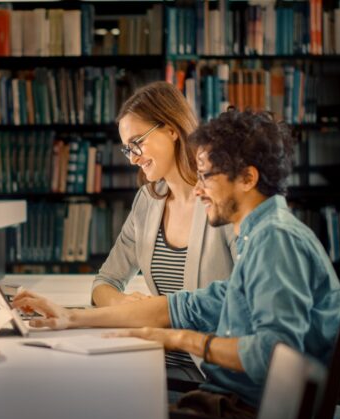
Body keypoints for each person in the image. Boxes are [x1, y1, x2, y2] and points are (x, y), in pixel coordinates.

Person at [13, 109, 340, 419]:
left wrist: (181, 340)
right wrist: (70, 317)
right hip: (232, 403)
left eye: (207, 177)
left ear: (247, 178)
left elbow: (273, 354)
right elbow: (182, 307)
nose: (198, 190)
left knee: (93, 412)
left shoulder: (275, 240)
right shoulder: (259, 236)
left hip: (245, 414)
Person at [92, 82, 234, 310]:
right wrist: (121, 301)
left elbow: (250, 294)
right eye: (128, 149)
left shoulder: (224, 197)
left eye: (137, 142)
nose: (133, 159)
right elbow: (105, 282)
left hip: (214, 335)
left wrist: (158, 311)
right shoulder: (147, 200)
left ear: (171, 130)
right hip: (159, 334)